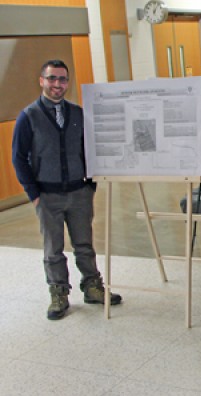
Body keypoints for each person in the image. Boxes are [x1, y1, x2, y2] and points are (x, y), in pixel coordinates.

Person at [12, 59, 122, 321]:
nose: (57, 84)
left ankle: (92, 286)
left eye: (62, 79)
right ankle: (59, 293)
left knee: (84, 243)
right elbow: (19, 157)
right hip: (47, 195)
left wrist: (90, 184)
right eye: (52, 79)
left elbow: (89, 150)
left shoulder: (78, 113)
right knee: (53, 248)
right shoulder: (28, 116)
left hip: (79, 192)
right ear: (41, 81)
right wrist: (34, 194)